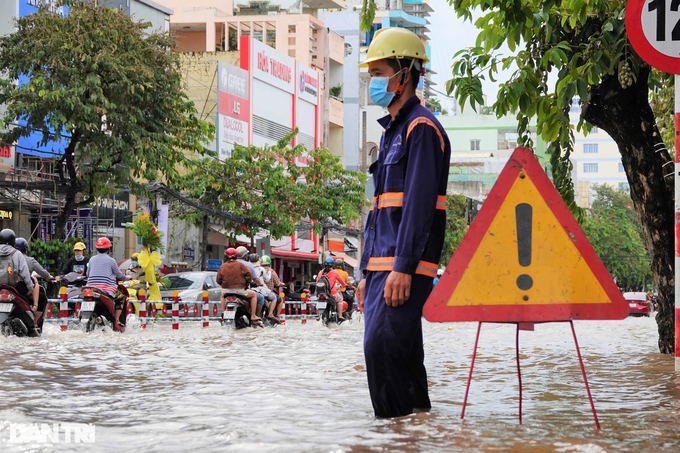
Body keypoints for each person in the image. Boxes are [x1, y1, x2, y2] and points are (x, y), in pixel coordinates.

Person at [356, 27, 451, 418]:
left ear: (405, 74)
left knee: (380, 352)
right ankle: (414, 436)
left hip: (401, 269)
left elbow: (419, 205)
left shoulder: (421, 128)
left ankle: (391, 438)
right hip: (380, 268)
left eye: (379, 72)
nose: (373, 82)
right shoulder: (391, 134)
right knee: (405, 362)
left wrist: (403, 268)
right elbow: (378, 210)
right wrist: (363, 271)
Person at [0, 229, 39, 334]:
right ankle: (33, 309)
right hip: (14, 287)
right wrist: (30, 288)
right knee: (33, 282)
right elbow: (25, 274)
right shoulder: (17, 253)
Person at [87, 237, 130, 329]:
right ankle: (117, 321)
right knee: (121, 297)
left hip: (91, 288)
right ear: (108, 249)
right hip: (105, 289)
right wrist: (126, 278)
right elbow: (119, 275)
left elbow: (87, 273)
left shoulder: (91, 259)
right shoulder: (111, 260)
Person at [16, 237, 56, 327]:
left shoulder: (9, 258)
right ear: (26, 249)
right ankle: (35, 320)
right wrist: (49, 277)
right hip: (23, 288)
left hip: (9, 287)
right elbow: (43, 272)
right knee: (41, 295)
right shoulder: (30, 260)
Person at [217, 248, 261, 326]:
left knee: (222, 296)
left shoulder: (222, 266)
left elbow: (218, 280)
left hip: (226, 291)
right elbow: (249, 274)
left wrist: (224, 285)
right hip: (240, 291)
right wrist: (246, 284)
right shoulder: (240, 265)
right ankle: (253, 315)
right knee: (254, 294)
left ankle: (223, 314)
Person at [248, 253, 278, 322]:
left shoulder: (247, 268)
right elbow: (267, 279)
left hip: (250, 289)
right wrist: (270, 272)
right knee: (274, 297)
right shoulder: (261, 269)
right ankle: (270, 314)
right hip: (261, 290)